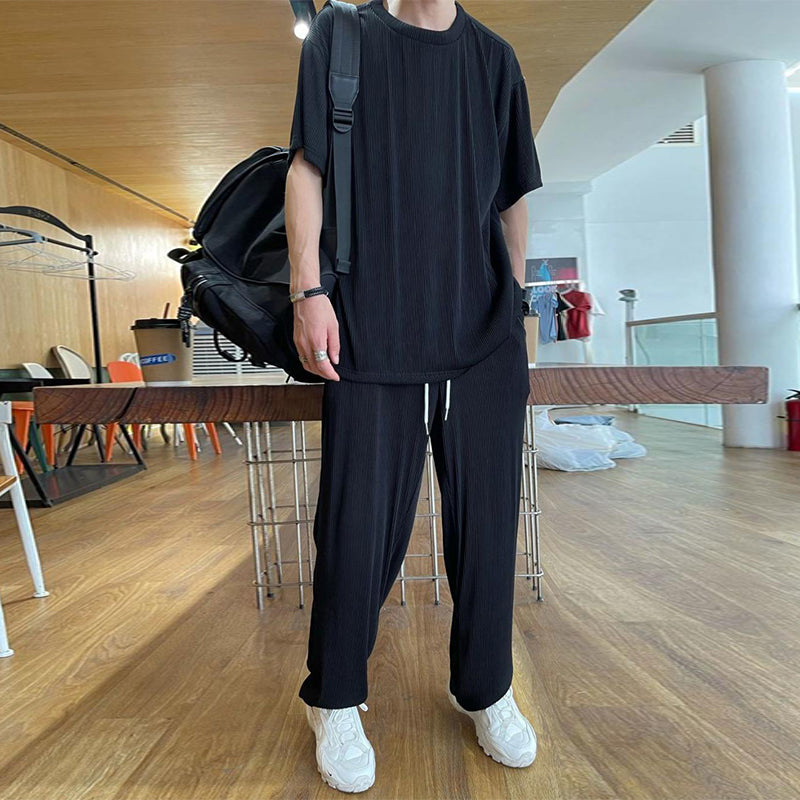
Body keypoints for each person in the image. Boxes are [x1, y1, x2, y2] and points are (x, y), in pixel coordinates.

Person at [285, 0, 543, 792]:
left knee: (489, 524)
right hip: (369, 326)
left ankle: (487, 687)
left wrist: (516, 301)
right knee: (356, 527)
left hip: (483, 333)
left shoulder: (493, 58)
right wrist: (307, 291)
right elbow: (307, 168)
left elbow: (513, 196)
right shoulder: (342, 37)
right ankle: (334, 697)